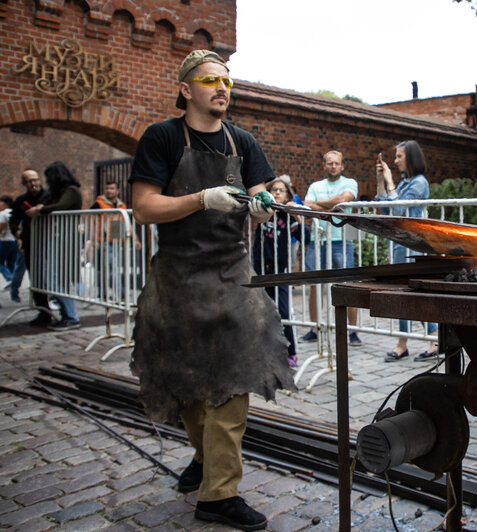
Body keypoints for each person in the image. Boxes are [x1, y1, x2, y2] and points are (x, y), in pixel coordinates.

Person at [128, 49, 295, 531]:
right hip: (176, 279)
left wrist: (262, 206)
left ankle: (219, 494)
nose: (222, 88)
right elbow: (143, 207)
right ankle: (206, 459)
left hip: (230, 276)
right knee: (187, 382)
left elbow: (262, 191)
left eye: (227, 81)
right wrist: (201, 198)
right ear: (186, 89)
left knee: (234, 377)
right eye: (208, 79)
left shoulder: (242, 141)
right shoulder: (162, 137)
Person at [375, 140, 438, 362]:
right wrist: (381, 182)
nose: (395, 161)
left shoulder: (419, 183)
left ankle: (434, 338)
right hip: (400, 243)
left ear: (410, 158)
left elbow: (399, 210)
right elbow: (384, 211)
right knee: (403, 292)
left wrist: (390, 181)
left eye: (399, 156)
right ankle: (402, 343)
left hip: (413, 245)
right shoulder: (404, 184)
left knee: (416, 293)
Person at [299, 150, 361, 345]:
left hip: (341, 241)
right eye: (329, 163)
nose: (333, 166)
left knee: (347, 286)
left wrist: (320, 206)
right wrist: (332, 207)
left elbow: (345, 199)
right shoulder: (315, 185)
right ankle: (315, 328)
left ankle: (352, 331)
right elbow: (307, 206)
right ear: (324, 165)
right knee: (315, 286)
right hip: (318, 241)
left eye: (336, 163)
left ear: (342, 166)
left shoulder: (350, 183)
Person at [251, 175, 309, 368]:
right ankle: (265, 350)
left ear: (287, 195)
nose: (276, 192)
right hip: (262, 271)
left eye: (281, 190)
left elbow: (305, 237)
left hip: (280, 271)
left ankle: (290, 352)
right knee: (262, 311)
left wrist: (297, 216)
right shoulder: (262, 213)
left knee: (283, 312)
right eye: (274, 189)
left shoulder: (287, 217)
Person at [26, 162, 82, 330]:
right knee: (55, 279)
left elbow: (60, 207)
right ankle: (69, 316)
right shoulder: (60, 192)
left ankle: (71, 317)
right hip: (57, 240)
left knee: (58, 279)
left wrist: (41, 210)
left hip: (65, 240)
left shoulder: (71, 190)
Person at [88, 181, 141, 301]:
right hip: (104, 241)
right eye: (107, 188)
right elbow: (92, 221)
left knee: (109, 267)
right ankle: (120, 292)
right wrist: (94, 238)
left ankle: (103, 294)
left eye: (112, 188)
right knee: (108, 267)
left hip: (117, 240)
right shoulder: (99, 204)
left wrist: (135, 238)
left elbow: (127, 223)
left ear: (117, 191)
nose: (109, 191)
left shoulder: (121, 205)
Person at [9, 169, 51, 313]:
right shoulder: (21, 200)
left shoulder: (49, 196)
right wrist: (17, 232)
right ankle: (43, 310)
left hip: (48, 242)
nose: (33, 183)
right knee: (35, 277)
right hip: (30, 242)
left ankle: (56, 306)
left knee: (50, 275)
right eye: (29, 181)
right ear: (24, 183)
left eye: (35, 179)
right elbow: (13, 220)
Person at [0, 196, 18, 289]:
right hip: (14, 241)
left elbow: (1, 229)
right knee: (11, 263)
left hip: (4, 241)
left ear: (5, 203)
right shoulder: (14, 213)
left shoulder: (2, 214)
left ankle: (9, 278)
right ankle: (13, 282)